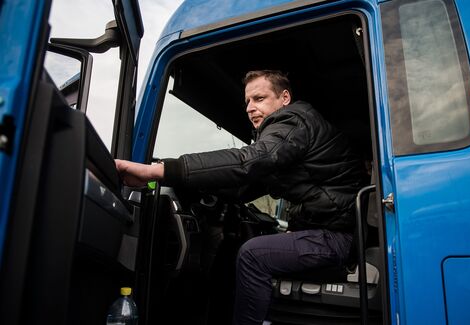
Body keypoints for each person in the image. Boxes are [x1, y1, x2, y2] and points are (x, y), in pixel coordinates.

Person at [115, 70, 368, 325]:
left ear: (284, 98)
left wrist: (160, 170)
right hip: (338, 229)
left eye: (259, 98)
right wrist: (195, 183)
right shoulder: (288, 138)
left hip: (339, 236)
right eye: (247, 101)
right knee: (244, 250)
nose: (250, 108)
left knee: (253, 254)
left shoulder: (293, 121)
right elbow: (244, 186)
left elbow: (250, 161)